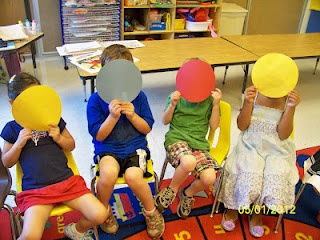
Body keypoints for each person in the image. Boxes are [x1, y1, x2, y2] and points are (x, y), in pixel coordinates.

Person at [0, 72, 108, 240]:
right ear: (13, 104)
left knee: (100, 214)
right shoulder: (12, 129)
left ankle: (76, 230)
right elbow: (7, 162)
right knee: (30, 235)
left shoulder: (53, 119)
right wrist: (18, 144)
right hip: (36, 192)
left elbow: (71, 145)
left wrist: (59, 137)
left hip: (67, 183)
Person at [87, 44, 164, 239]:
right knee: (108, 175)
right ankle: (103, 211)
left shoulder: (139, 97)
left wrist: (132, 116)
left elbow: (147, 128)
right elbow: (99, 136)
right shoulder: (96, 101)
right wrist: (112, 117)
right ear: (104, 74)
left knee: (133, 177)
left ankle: (151, 212)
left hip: (135, 148)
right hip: (108, 149)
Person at [218, 85, 301, 238]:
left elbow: (283, 135)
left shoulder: (288, 98)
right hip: (250, 145)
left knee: (274, 178)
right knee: (249, 174)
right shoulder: (254, 93)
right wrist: (248, 103)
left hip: (277, 149)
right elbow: (242, 125)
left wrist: (290, 108)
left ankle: (257, 213)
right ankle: (232, 207)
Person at [154, 59, 221, 219]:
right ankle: (172, 189)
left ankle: (188, 192)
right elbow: (165, 121)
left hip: (198, 145)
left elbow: (214, 126)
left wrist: (216, 105)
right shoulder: (176, 97)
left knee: (210, 177)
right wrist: (172, 105)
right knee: (189, 161)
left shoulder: (210, 101)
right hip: (176, 140)